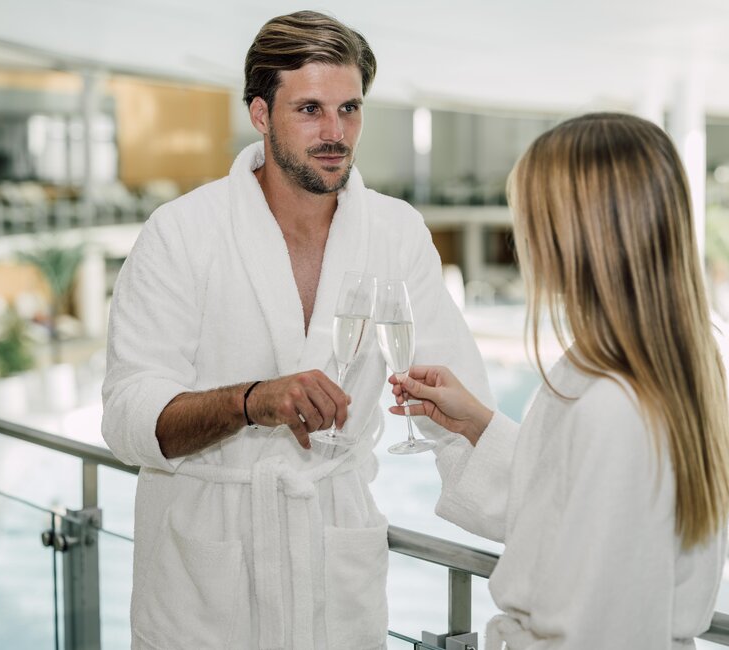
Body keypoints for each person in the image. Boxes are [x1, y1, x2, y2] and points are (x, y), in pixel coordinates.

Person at [101, 10, 492, 650]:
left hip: (335, 563)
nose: (335, 132)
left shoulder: (396, 233)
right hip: (206, 580)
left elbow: (460, 399)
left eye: (350, 109)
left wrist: (546, 521)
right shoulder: (181, 232)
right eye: (310, 109)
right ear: (260, 114)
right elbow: (126, 418)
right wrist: (253, 402)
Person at [390, 113, 729, 649]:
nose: (521, 236)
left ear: (578, 232)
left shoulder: (615, 403)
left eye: (531, 215)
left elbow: (597, 629)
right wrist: (479, 424)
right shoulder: (648, 368)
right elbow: (567, 515)